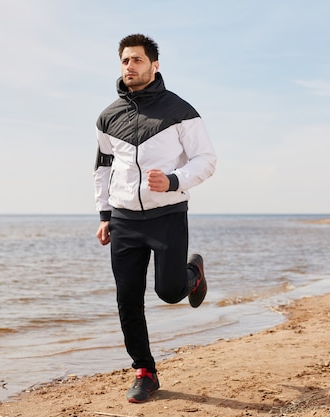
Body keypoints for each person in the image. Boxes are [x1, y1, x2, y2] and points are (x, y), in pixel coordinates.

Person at [93, 34, 217, 403]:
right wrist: (104, 213)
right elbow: (102, 167)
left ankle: (192, 275)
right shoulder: (107, 117)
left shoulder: (180, 110)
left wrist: (174, 181)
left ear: (154, 65)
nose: (129, 66)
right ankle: (144, 371)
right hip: (124, 219)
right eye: (125, 61)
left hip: (167, 214)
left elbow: (207, 160)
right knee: (127, 298)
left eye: (137, 60)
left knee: (169, 291)